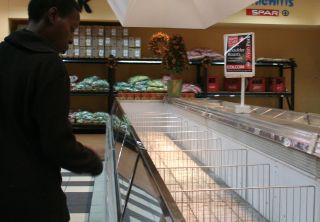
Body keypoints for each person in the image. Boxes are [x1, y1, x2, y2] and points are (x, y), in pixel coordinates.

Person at [0, 0, 103, 221]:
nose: (72, 39)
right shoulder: (49, 65)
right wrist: (92, 161)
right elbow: (56, 142)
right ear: (53, 15)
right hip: (33, 197)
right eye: (72, 28)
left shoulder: (3, 52)